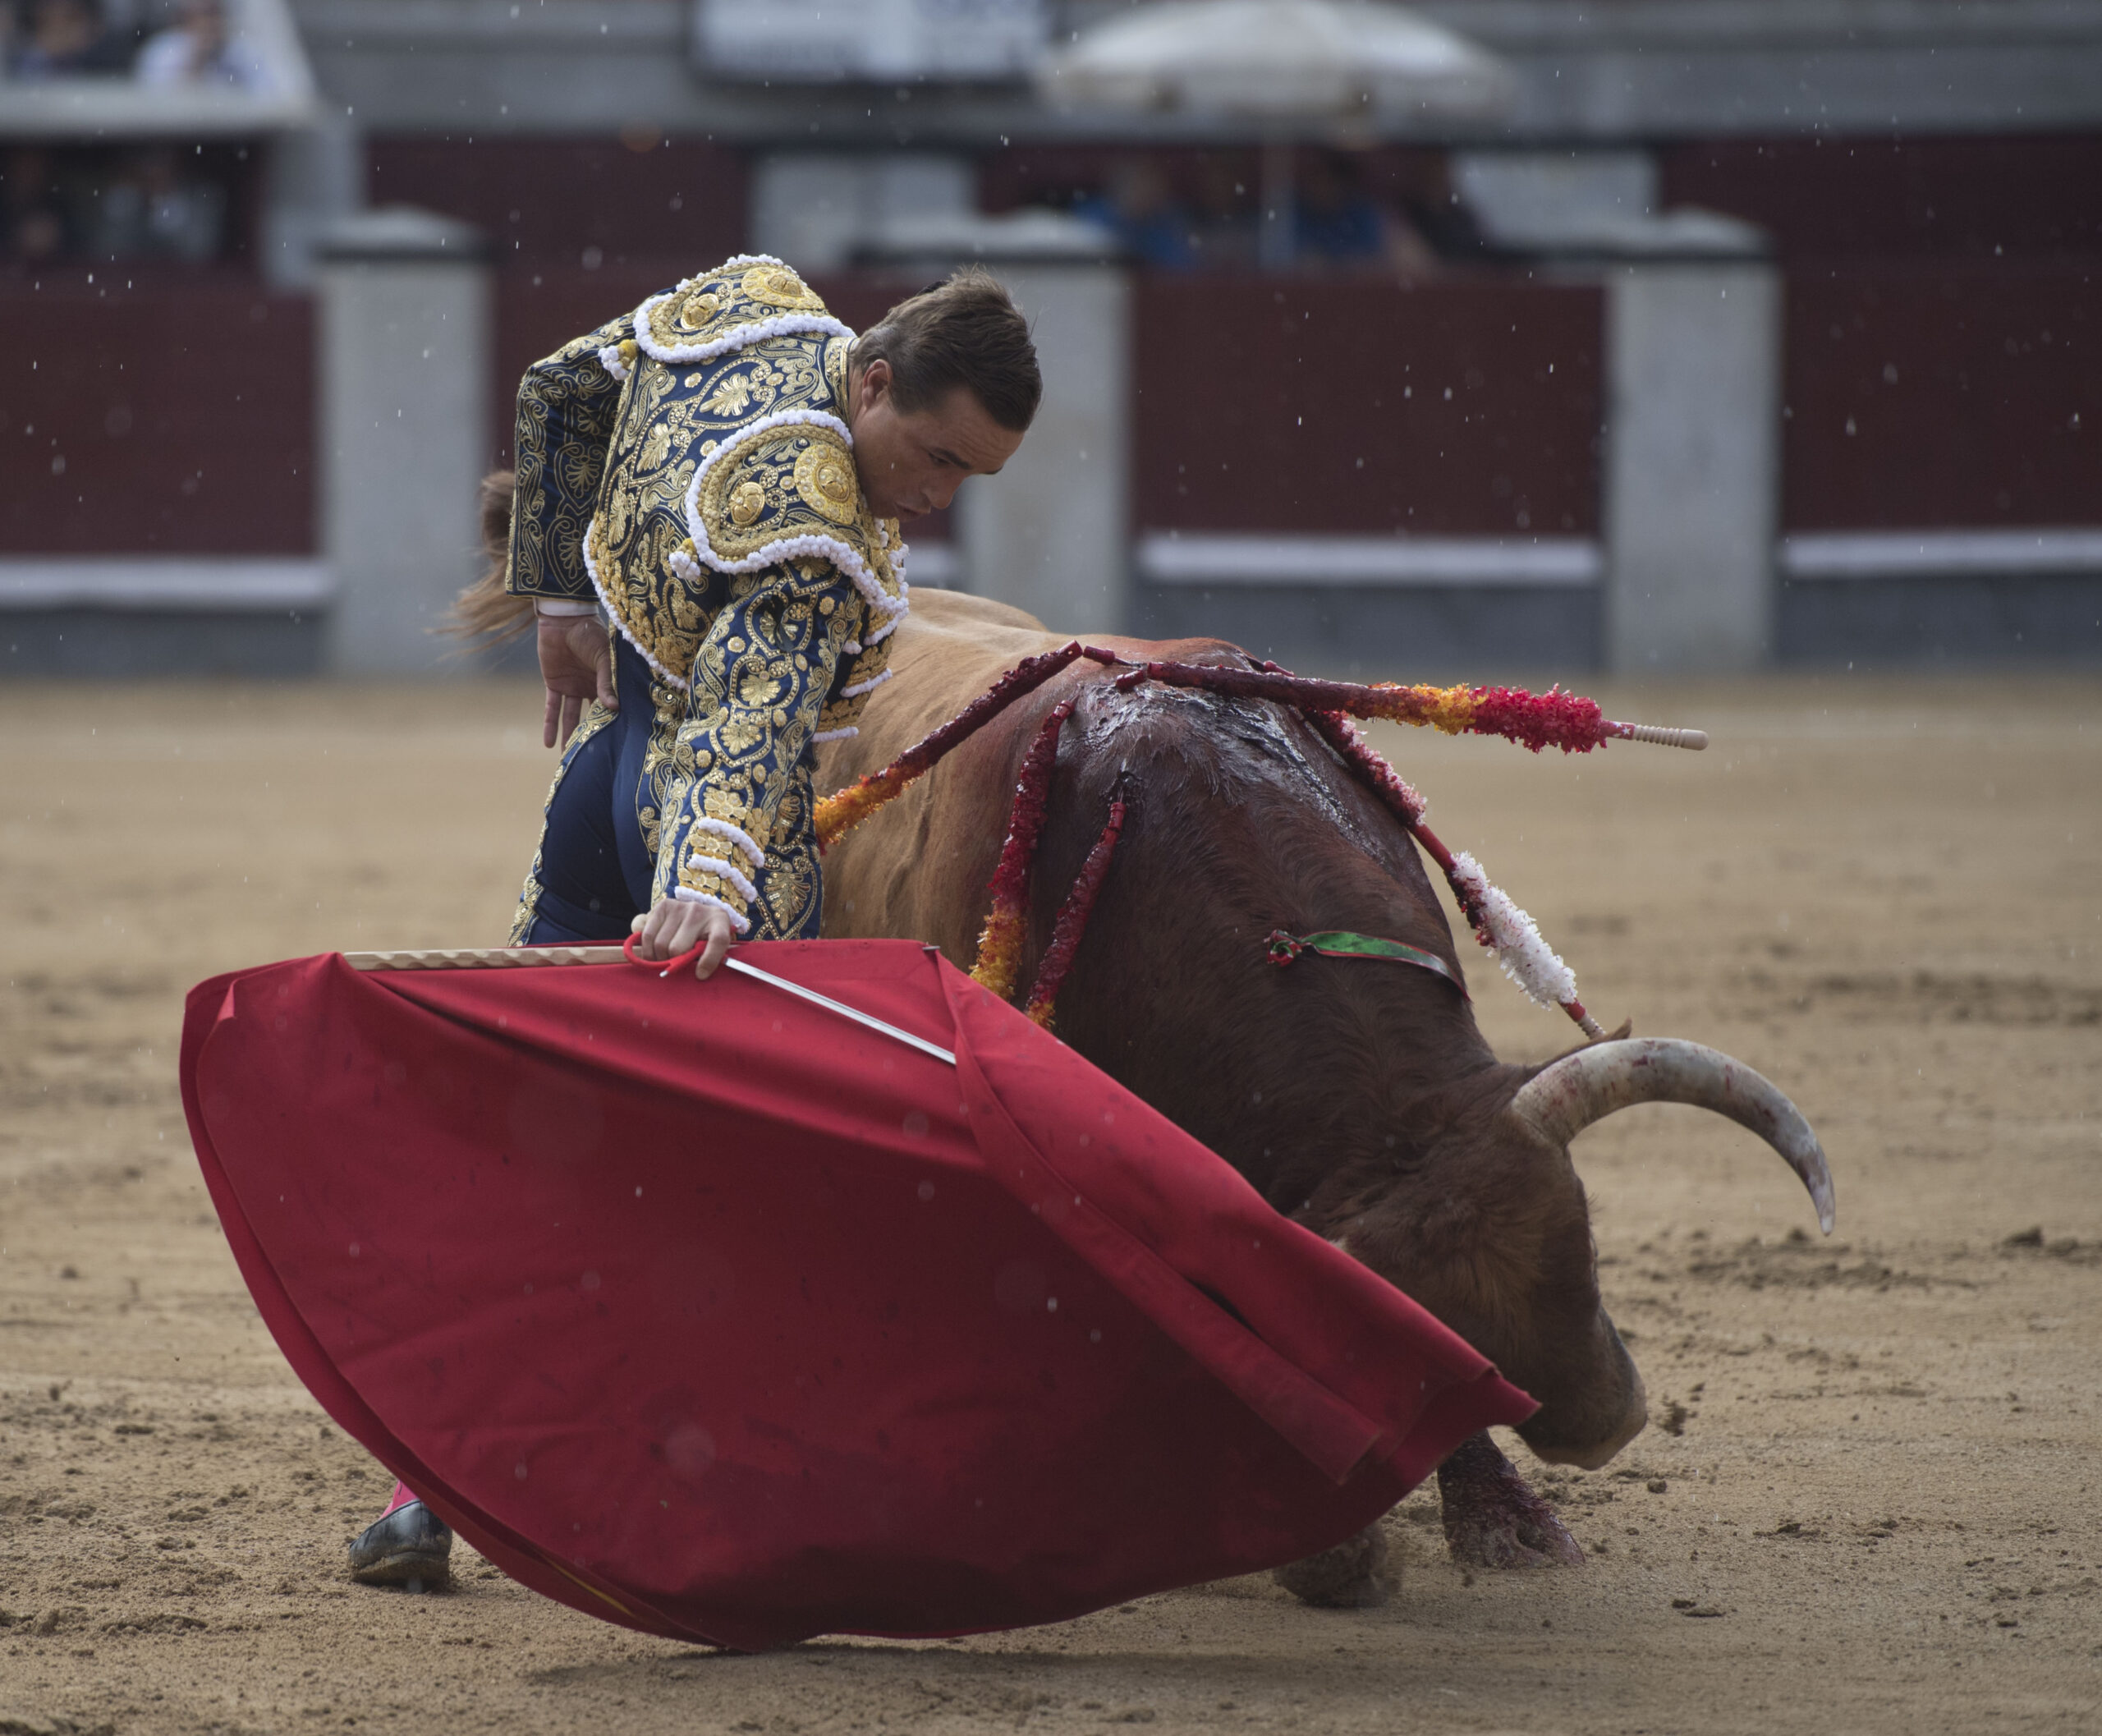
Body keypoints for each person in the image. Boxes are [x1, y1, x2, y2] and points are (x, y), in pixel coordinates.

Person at [346, 256, 1040, 1589]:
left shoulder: (756, 303)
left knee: (531, 1132)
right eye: (936, 454)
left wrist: (558, 593)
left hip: (600, 783)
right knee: (756, 1191)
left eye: (970, 480)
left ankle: (420, 1495)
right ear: (875, 379)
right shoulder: (814, 533)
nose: (938, 496)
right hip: (700, 842)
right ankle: (752, 1496)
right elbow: (753, 725)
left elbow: (559, 395)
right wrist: (718, 875)